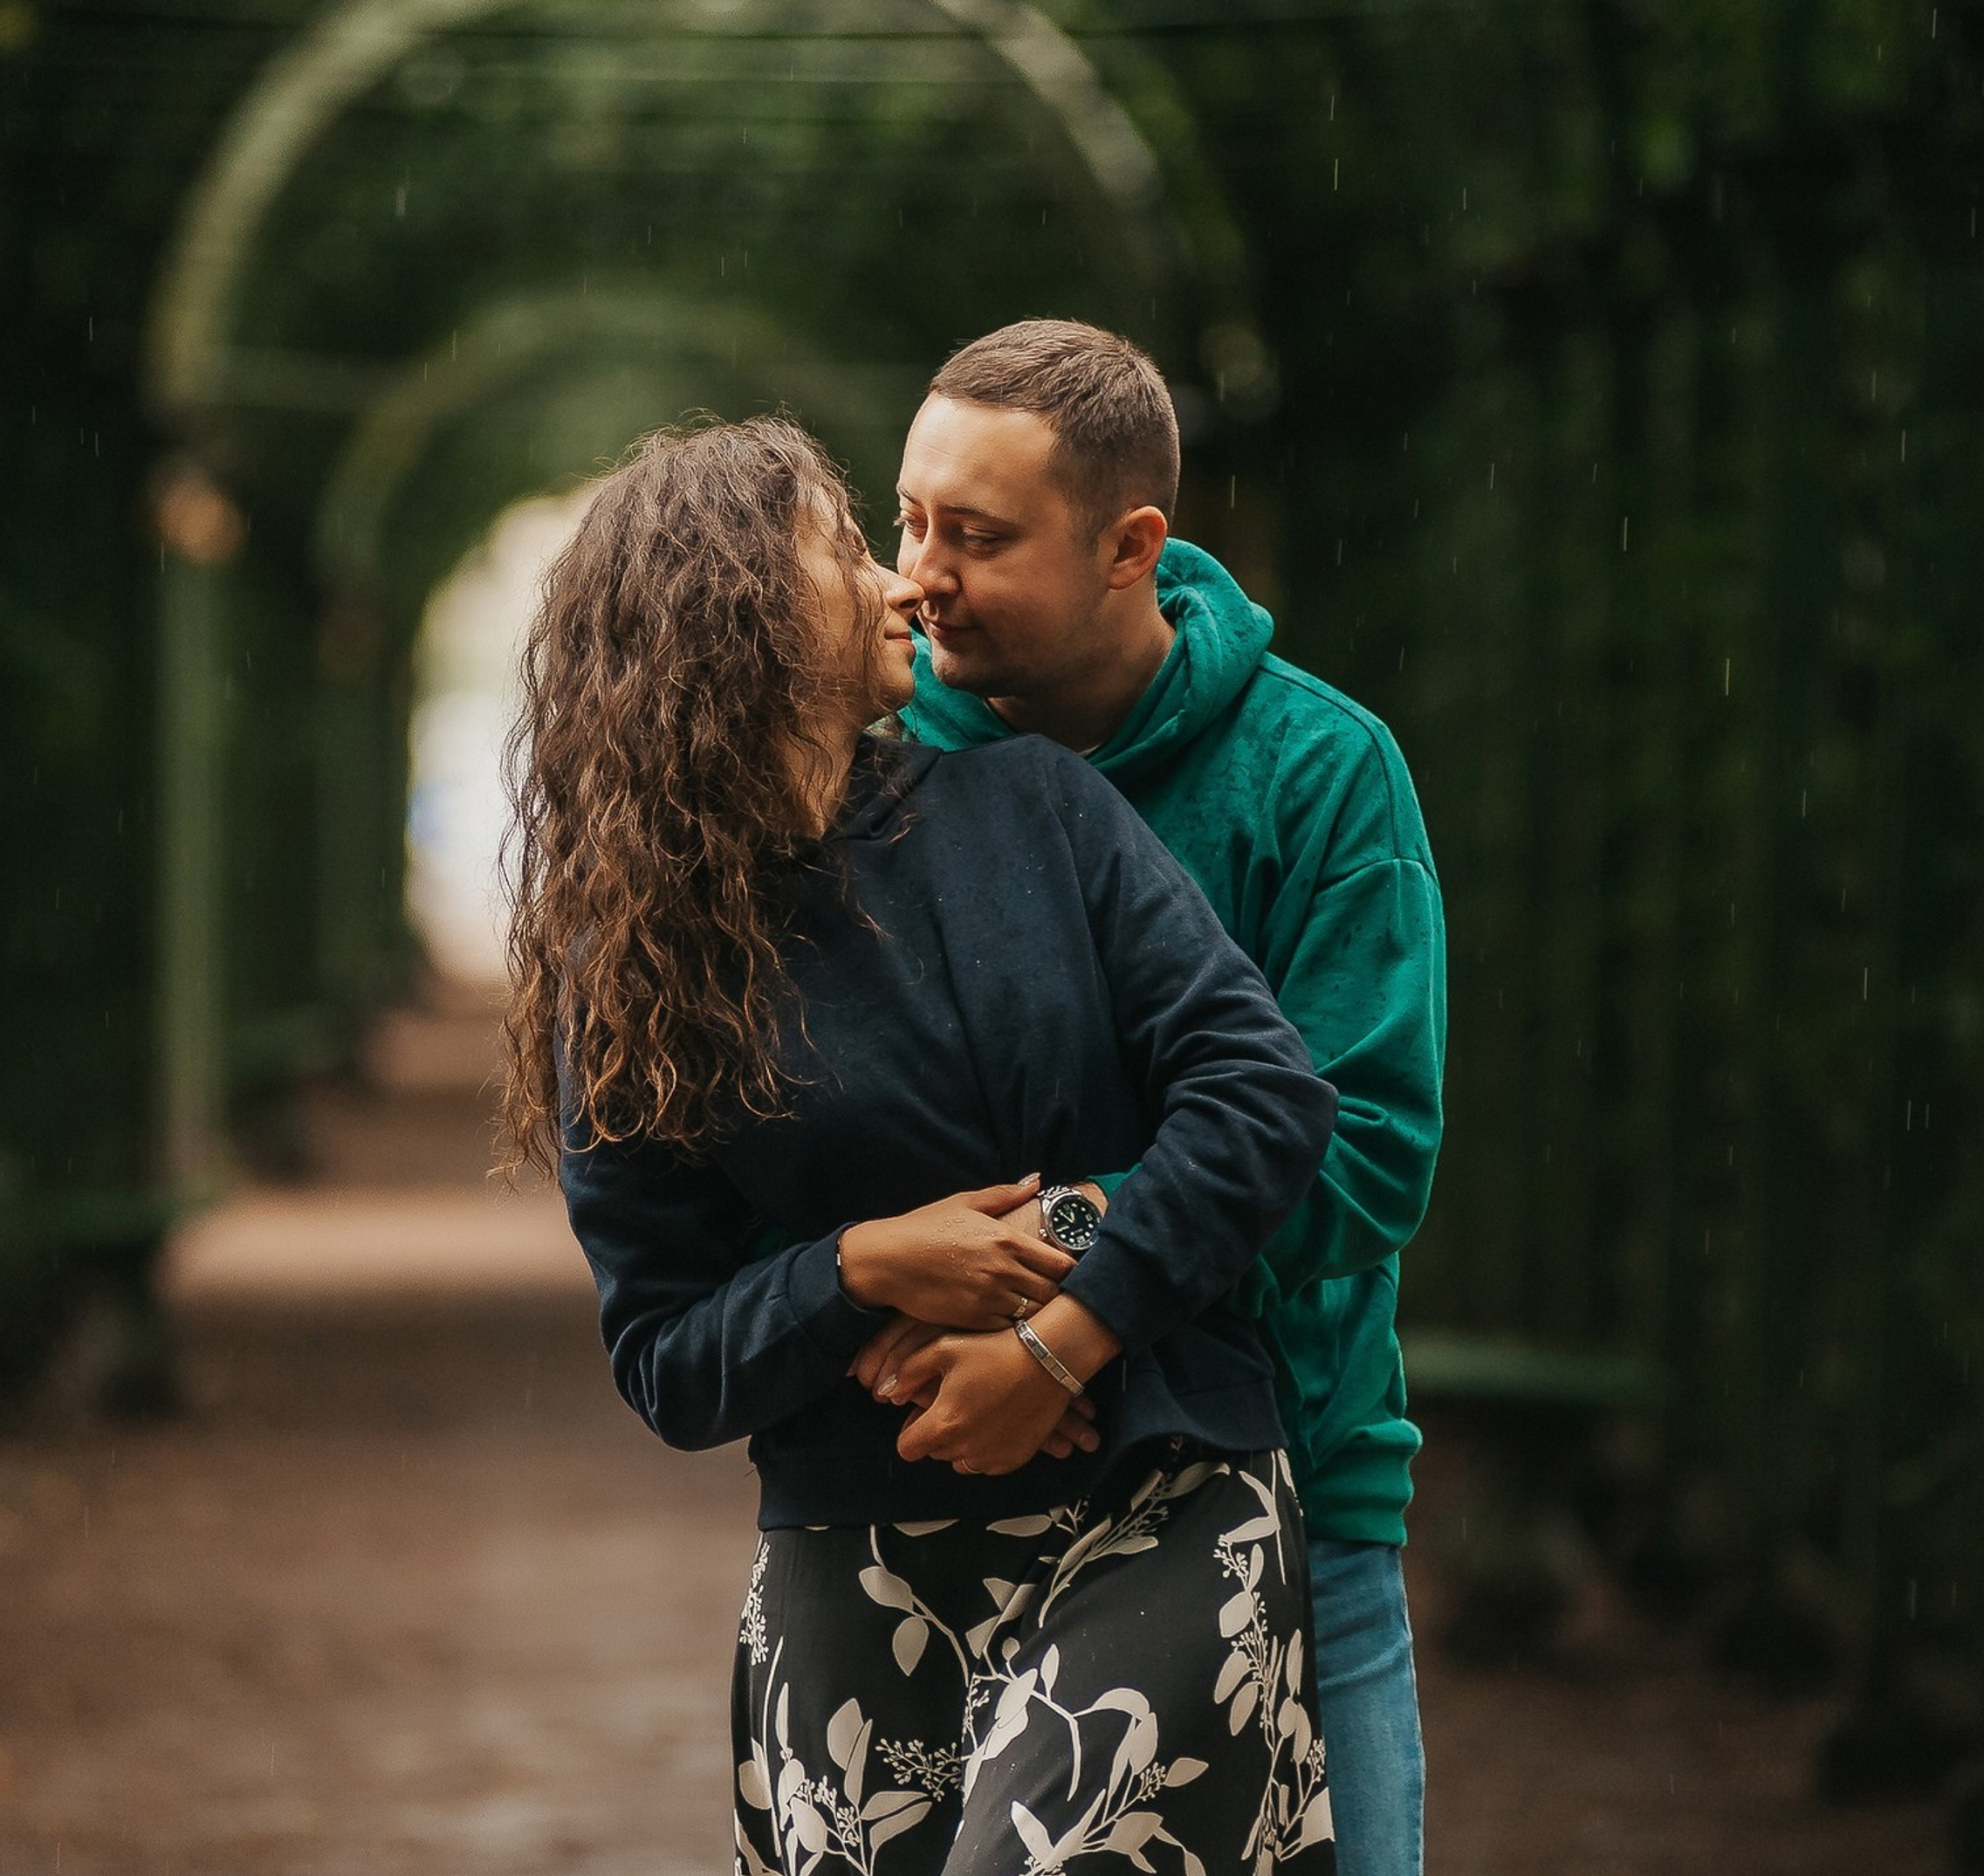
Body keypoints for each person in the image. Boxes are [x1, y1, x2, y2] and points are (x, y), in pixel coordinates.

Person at [499, 418, 1342, 1876]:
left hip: (1158, 1486)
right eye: (850, 552)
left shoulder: (1039, 808)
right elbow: (667, 1359)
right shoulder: (628, 966)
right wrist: (867, 1269)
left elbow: (1264, 1095)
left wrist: (1061, 1314)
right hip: (855, 1542)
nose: (902, 587)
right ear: (747, 620)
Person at [865, 320, 1446, 1876]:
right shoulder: (860, 768)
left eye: (976, 537)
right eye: (908, 517)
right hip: (933, 1519)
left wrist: (1053, 1303)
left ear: (1133, 548)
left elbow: (1362, 1157)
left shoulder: (1318, 774)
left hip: (1291, 1495)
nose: (917, 574)